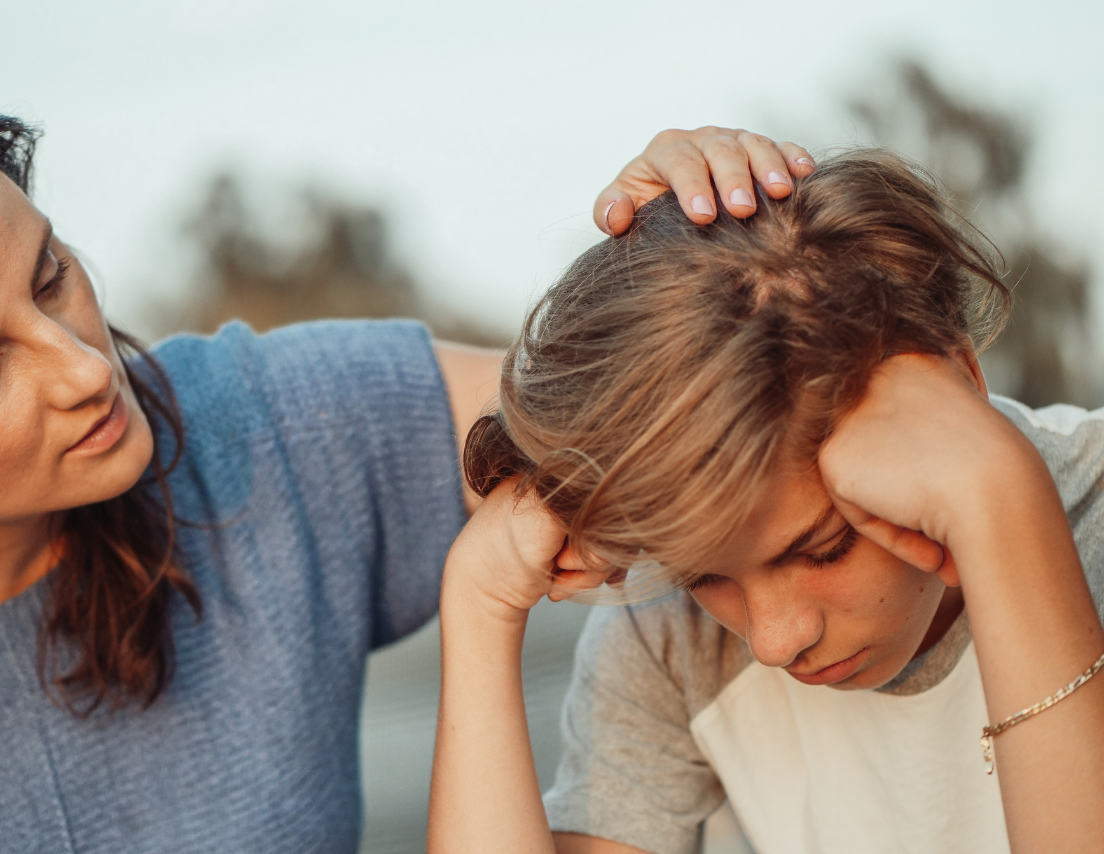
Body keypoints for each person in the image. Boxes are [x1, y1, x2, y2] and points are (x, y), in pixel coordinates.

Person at [0, 88, 812, 853]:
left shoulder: (270, 424)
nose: (86, 368)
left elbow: (654, 404)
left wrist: (702, 251)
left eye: (50, 275)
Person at [427, 150, 1104, 853]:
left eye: (822, 548)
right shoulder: (671, 636)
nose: (774, 640)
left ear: (960, 387)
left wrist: (1001, 502)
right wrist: (479, 604)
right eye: (704, 577)